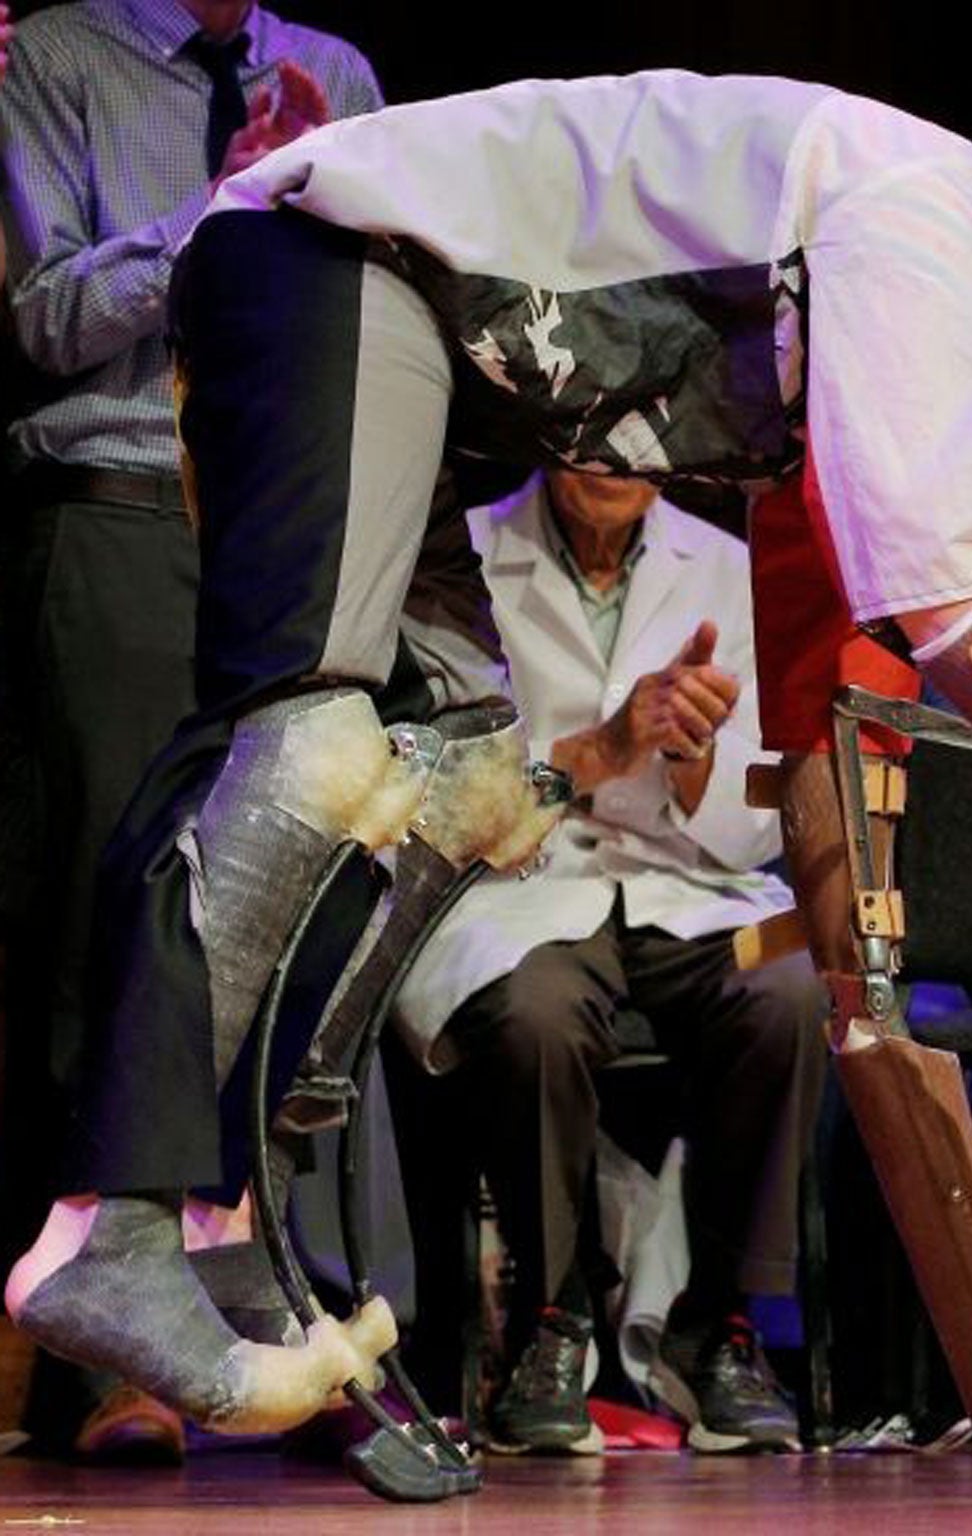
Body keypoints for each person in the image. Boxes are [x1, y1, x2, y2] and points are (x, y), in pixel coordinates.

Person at [6, 76, 972, 1483]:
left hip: (424, 356)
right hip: (334, 266)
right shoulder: (922, 208)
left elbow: (827, 703)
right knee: (314, 745)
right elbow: (958, 598)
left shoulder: (873, 324)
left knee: (463, 786)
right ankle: (112, 1224)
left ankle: (228, 1221)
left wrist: (859, 986)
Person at [0, 0, 379, 1458]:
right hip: (122, 511)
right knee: (119, 920)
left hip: (290, 531)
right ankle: (112, 1346)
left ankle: (253, 1301)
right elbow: (41, 316)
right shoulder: (60, 63)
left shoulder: (336, 69)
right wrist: (231, 212)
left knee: (275, 932)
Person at [389, 468, 825, 1455]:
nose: (616, 464)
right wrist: (605, 743)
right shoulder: (458, 556)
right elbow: (436, 789)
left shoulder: (728, 568)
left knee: (789, 976)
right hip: (519, 894)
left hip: (698, 890)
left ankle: (717, 1326)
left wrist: (693, 756)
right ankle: (547, 1321)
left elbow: (761, 820)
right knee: (535, 1010)